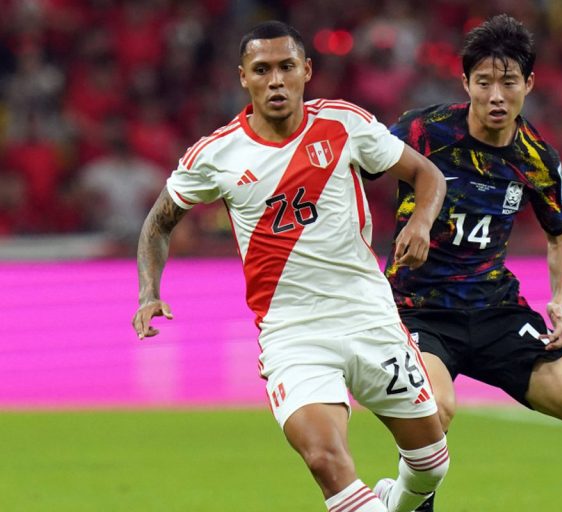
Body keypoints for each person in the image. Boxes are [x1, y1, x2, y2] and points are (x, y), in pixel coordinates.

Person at [131, 21, 449, 512]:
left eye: (285, 67)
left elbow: (426, 175)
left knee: (431, 461)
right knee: (325, 458)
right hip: (293, 332)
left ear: (307, 70)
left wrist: (422, 223)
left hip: (368, 316)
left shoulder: (344, 124)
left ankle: (398, 500)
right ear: (243, 77)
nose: (275, 80)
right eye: (262, 70)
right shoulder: (216, 154)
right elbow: (157, 224)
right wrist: (148, 291)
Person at [382, 15, 562, 512]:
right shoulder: (420, 131)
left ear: (528, 84)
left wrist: (560, 300)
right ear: (465, 81)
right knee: (434, 415)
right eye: (484, 81)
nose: (496, 95)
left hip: (496, 313)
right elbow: (352, 172)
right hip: (417, 311)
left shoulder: (536, 158)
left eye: (508, 82)